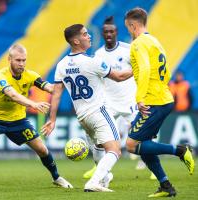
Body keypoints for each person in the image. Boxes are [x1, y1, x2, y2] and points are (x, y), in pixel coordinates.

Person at [41, 24, 133, 192]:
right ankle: (94, 181)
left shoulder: (62, 65)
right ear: (76, 41)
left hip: (82, 117)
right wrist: (138, 68)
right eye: (84, 34)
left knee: (98, 147)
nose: (89, 36)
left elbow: (56, 94)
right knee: (115, 149)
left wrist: (52, 119)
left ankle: (104, 179)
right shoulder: (93, 61)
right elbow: (119, 77)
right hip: (99, 111)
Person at [0, 44, 73, 191]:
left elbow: (50, 88)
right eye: (18, 60)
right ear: (9, 59)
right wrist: (33, 104)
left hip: (17, 120)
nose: (22, 64)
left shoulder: (30, 75)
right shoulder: (0, 76)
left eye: (24, 60)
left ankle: (56, 177)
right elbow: (12, 95)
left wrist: (63, 81)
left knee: (42, 150)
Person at [124, 7, 195, 197]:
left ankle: (180, 150)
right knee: (143, 143)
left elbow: (146, 68)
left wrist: (140, 98)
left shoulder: (138, 43)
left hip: (153, 101)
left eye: (128, 29)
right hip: (162, 97)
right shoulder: (154, 41)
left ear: (132, 25)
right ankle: (165, 185)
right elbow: (168, 72)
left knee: (131, 145)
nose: (129, 32)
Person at [82, 16, 145, 180]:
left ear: (116, 32)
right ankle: (100, 170)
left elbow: (141, 68)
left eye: (111, 31)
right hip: (109, 102)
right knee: (100, 137)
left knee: (143, 133)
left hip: (130, 100)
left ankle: (147, 163)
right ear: (103, 34)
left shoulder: (128, 49)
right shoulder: (98, 54)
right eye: (106, 32)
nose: (109, 34)